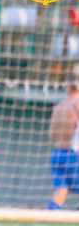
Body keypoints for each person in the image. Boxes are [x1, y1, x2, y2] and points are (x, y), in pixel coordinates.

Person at [47, 82, 79, 210]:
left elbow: (51, 135)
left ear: (68, 88)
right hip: (74, 154)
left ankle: (51, 215)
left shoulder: (58, 108)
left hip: (58, 153)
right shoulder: (77, 106)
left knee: (61, 191)